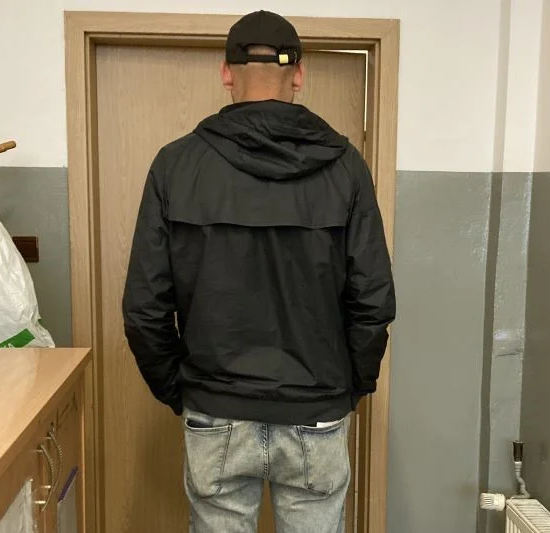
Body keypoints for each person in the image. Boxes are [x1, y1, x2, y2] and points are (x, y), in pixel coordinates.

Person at [122, 10, 395, 533]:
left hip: (215, 407)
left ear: (227, 72)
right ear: (299, 74)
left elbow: (144, 309)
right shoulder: (346, 167)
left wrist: (183, 391)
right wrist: (349, 388)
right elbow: (373, 301)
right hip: (315, 405)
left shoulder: (175, 165)